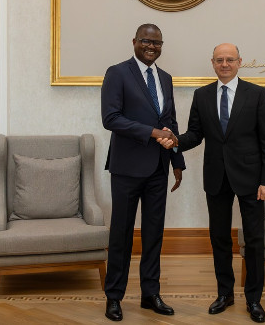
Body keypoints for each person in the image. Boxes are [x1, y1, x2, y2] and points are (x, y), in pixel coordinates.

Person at [159, 43, 265, 323]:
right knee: (219, 238)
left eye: (230, 60)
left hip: (251, 178)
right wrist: (174, 141)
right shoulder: (202, 95)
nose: (225, 64)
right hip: (216, 177)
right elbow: (195, 134)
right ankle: (225, 294)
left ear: (239, 62)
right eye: (219, 60)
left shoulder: (257, 94)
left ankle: (254, 299)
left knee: (254, 240)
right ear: (212, 63)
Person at [101, 24, 185, 322]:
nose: (152, 46)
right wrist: (152, 133)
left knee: (153, 234)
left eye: (157, 43)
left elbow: (170, 123)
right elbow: (111, 118)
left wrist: (177, 162)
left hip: (158, 169)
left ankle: (150, 294)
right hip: (126, 168)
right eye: (146, 41)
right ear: (135, 41)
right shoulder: (117, 73)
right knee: (121, 235)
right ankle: (114, 297)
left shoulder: (165, 78)